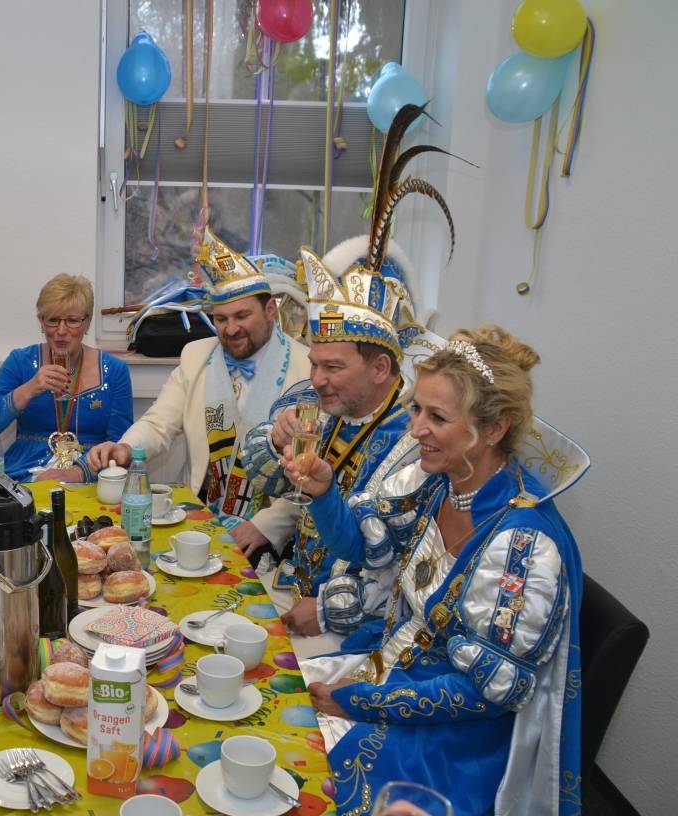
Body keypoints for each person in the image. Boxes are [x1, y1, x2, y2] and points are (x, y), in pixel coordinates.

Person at [285, 325, 584, 816]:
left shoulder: (524, 543)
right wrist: (324, 493)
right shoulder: (437, 480)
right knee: (272, 708)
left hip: (452, 738)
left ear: (494, 429)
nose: (415, 429)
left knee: (305, 785)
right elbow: (364, 546)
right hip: (384, 670)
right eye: (416, 409)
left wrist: (361, 702)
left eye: (436, 416)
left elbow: (483, 694)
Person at [239, 104, 453, 637]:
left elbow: (403, 563)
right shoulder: (322, 402)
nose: (315, 378)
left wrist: (333, 611)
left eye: (332, 366)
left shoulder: (416, 438)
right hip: (291, 583)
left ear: (382, 368)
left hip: (354, 626)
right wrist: (275, 440)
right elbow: (258, 469)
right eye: (314, 363)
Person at [87, 229, 311, 544]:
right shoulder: (196, 355)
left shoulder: (309, 368)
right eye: (221, 319)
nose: (231, 329)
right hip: (197, 520)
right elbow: (159, 422)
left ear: (270, 310)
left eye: (242, 316)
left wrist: (265, 527)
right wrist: (125, 447)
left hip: (270, 537)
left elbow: (313, 472)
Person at [0, 274, 133, 482]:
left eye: (73, 321)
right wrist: (28, 389)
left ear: (87, 323)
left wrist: (78, 472)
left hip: (89, 475)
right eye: (53, 320)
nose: (61, 331)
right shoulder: (20, 361)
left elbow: (119, 445)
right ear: (41, 322)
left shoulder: (115, 370)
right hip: (23, 474)